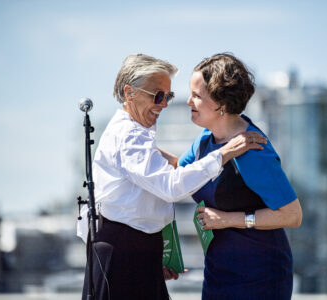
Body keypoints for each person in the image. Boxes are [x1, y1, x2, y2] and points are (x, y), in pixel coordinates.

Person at [76, 54, 267, 300]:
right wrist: (224, 153)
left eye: (168, 96)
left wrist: (155, 256)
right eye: (157, 95)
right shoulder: (129, 136)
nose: (164, 104)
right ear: (129, 93)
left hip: (135, 252)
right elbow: (171, 187)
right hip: (123, 255)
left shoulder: (136, 134)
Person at [178, 53, 303, 300]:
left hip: (260, 277)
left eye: (197, 96)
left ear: (221, 105)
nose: (189, 102)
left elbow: (292, 215)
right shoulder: (205, 140)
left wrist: (227, 219)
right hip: (218, 273)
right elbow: (177, 174)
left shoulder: (253, 150)